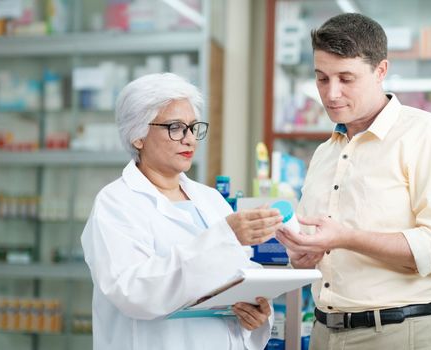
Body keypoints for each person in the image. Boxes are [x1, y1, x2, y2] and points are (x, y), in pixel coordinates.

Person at [275, 13, 431, 350]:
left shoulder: (427, 135)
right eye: (321, 78)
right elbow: (322, 246)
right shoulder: (325, 153)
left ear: (381, 71)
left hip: (398, 333)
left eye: (346, 78)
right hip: (324, 331)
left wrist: (346, 238)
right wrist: (303, 255)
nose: (331, 93)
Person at [81, 72, 282, 350]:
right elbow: (134, 292)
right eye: (175, 127)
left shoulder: (210, 199)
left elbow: (241, 275)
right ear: (137, 135)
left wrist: (254, 313)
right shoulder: (116, 203)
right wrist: (225, 235)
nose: (189, 139)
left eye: (192, 127)